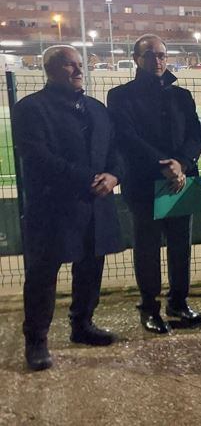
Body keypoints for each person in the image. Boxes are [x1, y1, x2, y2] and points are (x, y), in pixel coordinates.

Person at [13, 46, 123, 371]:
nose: (78, 70)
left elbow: (115, 150)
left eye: (79, 64)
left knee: (91, 267)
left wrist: (114, 175)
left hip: (96, 204)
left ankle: (82, 325)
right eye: (69, 65)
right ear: (50, 70)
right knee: (43, 274)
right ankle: (36, 340)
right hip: (53, 207)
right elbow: (38, 157)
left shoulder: (96, 108)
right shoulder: (31, 108)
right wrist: (88, 179)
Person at [107, 34, 201, 334]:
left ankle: (179, 302)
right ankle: (149, 307)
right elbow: (127, 138)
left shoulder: (181, 95)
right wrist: (166, 165)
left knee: (180, 247)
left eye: (162, 54)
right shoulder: (120, 95)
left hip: (181, 181)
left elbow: (195, 135)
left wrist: (182, 164)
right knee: (147, 248)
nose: (158, 60)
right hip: (145, 183)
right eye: (150, 55)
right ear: (136, 59)